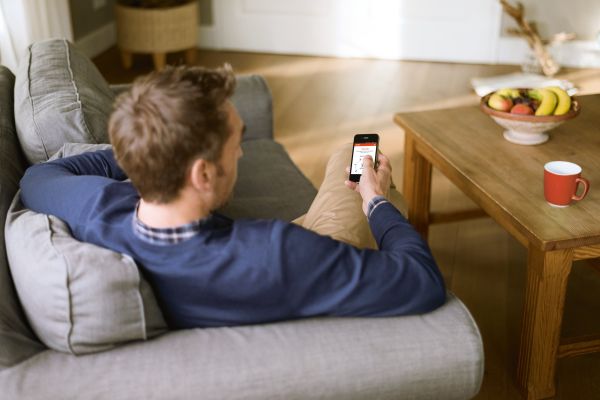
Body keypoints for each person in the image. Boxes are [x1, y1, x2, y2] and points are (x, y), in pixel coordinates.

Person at [20, 65, 446, 329]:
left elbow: (40, 175)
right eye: (236, 142)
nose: (242, 151)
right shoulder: (274, 252)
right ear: (203, 172)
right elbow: (422, 282)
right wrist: (375, 201)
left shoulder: (93, 208)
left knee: (354, 159)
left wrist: (150, 152)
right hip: (302, 270)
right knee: (354, 160)